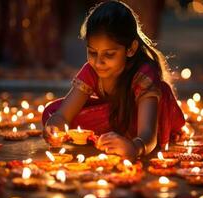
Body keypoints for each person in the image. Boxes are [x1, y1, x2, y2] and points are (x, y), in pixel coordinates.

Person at [42, 1, 185, 161]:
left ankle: (120, 138)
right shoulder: (92, 70)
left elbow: (147, 136)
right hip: (115, 115)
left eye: (109, 54)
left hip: (143, 119)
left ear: (130, 49)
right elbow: (62, 114)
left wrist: (135, 148)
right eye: (92, 52)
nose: (98, 62)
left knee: (135, 127)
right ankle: (115, 137)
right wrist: (54, 126)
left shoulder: (144, 76)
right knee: (51, 112)